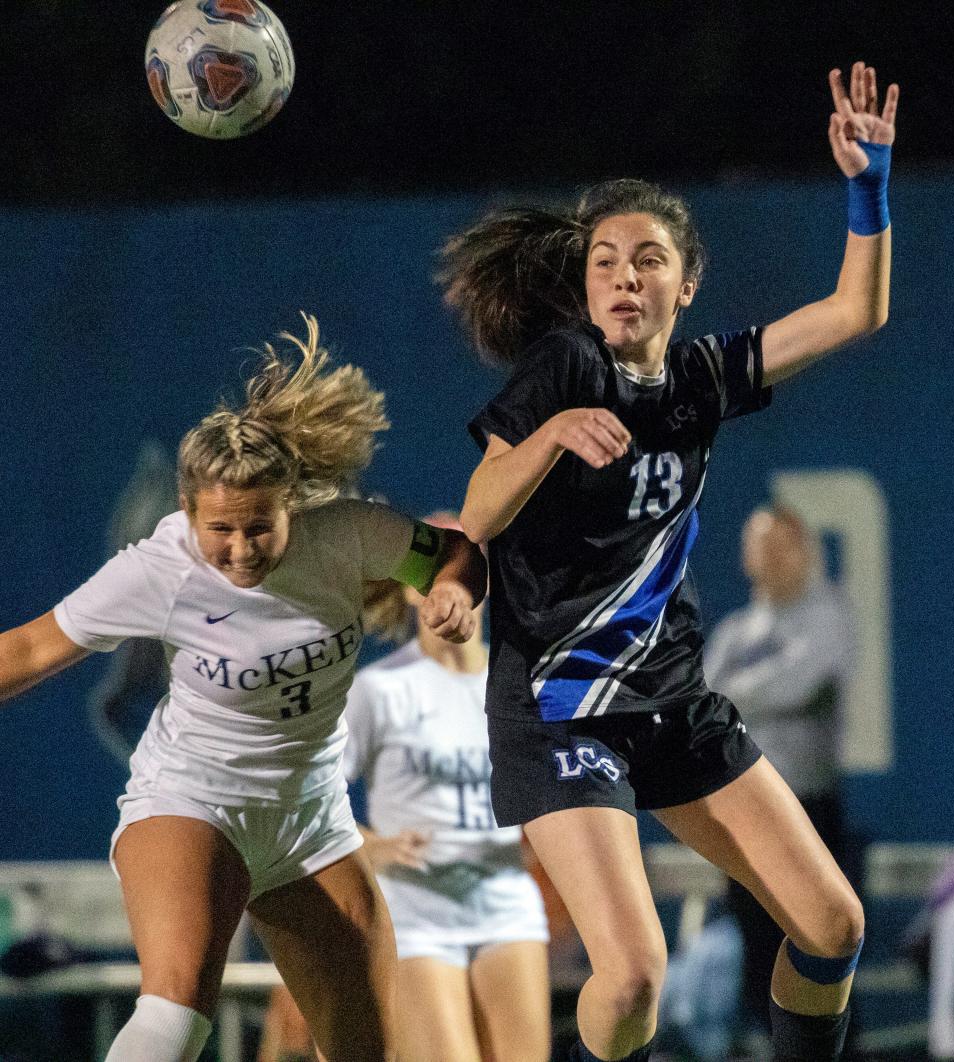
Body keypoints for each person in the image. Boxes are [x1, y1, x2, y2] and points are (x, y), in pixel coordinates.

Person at [440, 63, 896, 1062]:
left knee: (834, 928)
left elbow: (855, 313)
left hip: (673, 702)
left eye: (647, 260)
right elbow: (476, 512)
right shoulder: (566, 368)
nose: (622, 277)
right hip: (558, 708)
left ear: (685, 285)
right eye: (604, 261)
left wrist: (868, 189)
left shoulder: (699, 378)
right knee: (636, 977)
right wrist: (553, 432)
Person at [0, 314, 487, 1062]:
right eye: (218, 530)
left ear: (293, 504)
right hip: (193, 800)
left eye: (259, 527)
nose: (238, 550)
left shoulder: (349, 532)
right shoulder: (161, 568)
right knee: (177, 1007)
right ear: (188, 512)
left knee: (368, 1051)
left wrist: (453, 591)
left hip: (312, 825)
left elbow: (452, 555)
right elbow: (32, 646)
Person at [258, 516, 551, 1062]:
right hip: (417, 911)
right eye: (435, 571)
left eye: (473, 567)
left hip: (505, 901)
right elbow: (307, 789)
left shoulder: (521, 686)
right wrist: (371, 845)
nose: (453, 585)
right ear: (413, 591)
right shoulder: (381, 689)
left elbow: (550, 788)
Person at [704, 506, 858, 1048]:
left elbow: (798, 684)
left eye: (781, 544)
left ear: (805, 551)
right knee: (757, 956)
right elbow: (700, 702)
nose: (769, 555)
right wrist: (732, 698)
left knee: (824, 953)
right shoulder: (734, 632)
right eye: (759, 544)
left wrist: (736, 697)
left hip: (810, 810)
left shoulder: (829, 615)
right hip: (746, 818)